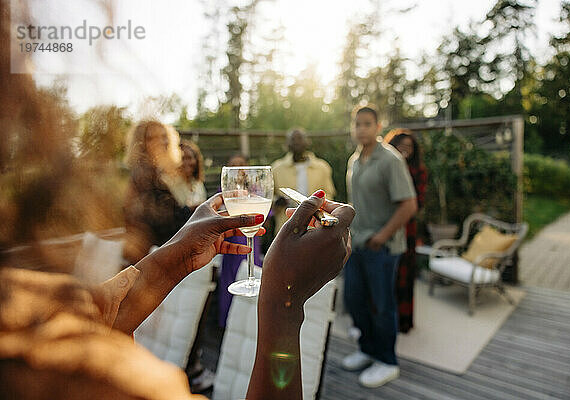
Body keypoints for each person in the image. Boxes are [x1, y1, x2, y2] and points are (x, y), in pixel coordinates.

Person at [0, 192, 354, 400]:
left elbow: (96, 320)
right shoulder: (97, 383)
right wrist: (284, 304)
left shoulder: (22, 309)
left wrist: (176, 258)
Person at [342, 105, 417, 388]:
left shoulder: (390, 160)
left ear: (378, 126)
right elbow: (356, 203)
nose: (361, 129)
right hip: (357, 244)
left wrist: (381, 237)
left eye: (367, 124)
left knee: (382, 305)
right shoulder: (355, 160)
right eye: (357, 124)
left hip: (382, 247)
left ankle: (387, 361)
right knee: (355, 300)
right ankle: (367, 349)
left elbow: (409, 205)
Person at [122, 121, 193, 263]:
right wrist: (196, 210)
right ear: (140, 144)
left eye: (164, 136)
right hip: (152, 259)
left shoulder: (157, 172)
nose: (162, 141)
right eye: (151, 138)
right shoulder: (144, 175)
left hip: (158, 253)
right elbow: (165, 222)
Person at [384, 129, 427, 333]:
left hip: (406, 229)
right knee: (385, 279)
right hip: (383, 226)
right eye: (400, 146)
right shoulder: (386, 167)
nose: (404, 150)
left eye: (409, 147)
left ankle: (403, 321)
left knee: (404, 277)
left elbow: (417, 203)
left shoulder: (417, 171)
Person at [218, 154, 263, 328]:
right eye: (233, 166)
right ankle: (227, 324)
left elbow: (266, 213)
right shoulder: (224, 192)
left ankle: (250, 324)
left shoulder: (255, 189)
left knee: (252, 274)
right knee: (230, 281)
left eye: (241, 165)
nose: (238, 170)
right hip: (232, 240)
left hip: (251, 240)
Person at [271, 128, 336, 232]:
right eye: (293, 139)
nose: (296, 142)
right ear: (287, 144)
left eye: (300, 138)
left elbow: (329, 194)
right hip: (285, 227)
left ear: (307, 141)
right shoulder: (276, 168)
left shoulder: (322, 167)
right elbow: (269, 198)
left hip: (315, 227)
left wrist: (317, 204)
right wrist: (277, 201)